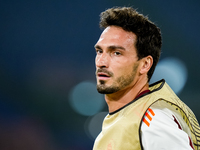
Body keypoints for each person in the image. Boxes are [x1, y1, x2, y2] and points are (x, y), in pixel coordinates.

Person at [93, 6, 200, 150]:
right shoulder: (128, 118)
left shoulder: (152, 121)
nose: (101, 62)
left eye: (116, 53)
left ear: (145, 64)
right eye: (100, 51)